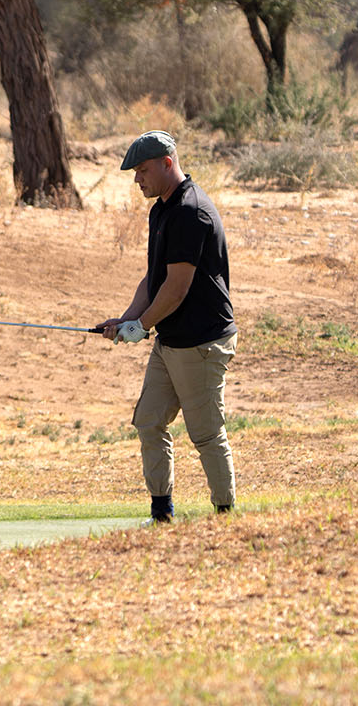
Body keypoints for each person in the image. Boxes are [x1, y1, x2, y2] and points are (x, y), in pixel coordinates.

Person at [99, 131, 238, 524]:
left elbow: (176, 290)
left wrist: (141, 327)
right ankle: (162, 515)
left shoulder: (191, 211)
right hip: (171, 339)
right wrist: (128, 319)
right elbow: (153, 280)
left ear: (167, 163)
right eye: (134, 172)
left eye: (142, 170)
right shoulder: (161, 209)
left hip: (202, 341)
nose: (137, 179)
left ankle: (226, 518)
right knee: (149, 420)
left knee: (206, 433)